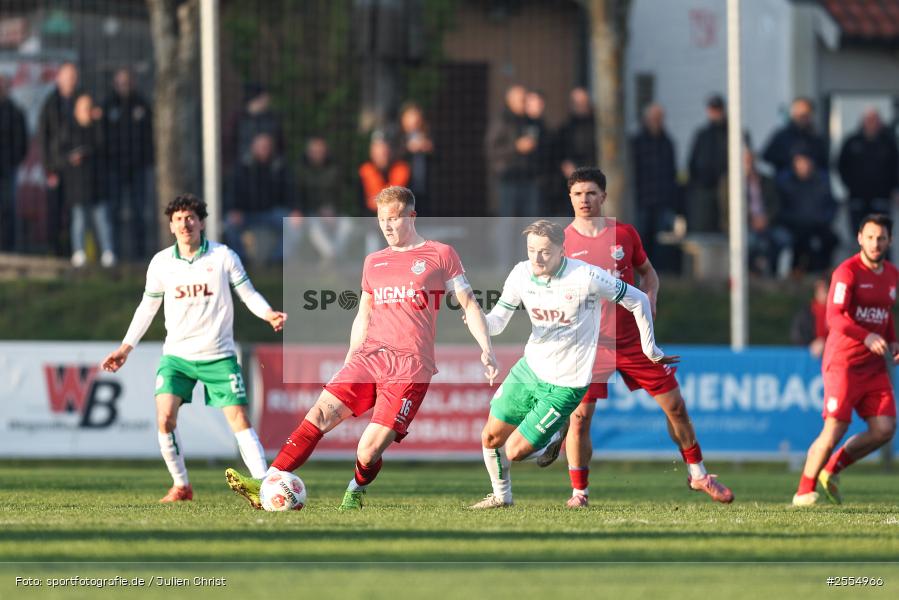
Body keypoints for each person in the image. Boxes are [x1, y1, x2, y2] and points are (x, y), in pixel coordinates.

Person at [225, 186, 498, 510]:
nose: (387, 226)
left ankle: (356, 487)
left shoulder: (440, 254)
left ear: (412, 217)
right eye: (382, 219)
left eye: (395, 218)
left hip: (410, 366)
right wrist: (349, 359)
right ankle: (267, 482)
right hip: (368, 358)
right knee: (320, 413)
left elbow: (467, 302)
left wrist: (487, 349)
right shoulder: (374, 262)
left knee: (368, 452)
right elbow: (364, 313)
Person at [540, 167, 734, 507]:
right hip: (587, 346)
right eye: (577, 194)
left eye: (590, 193)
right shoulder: (562, 243)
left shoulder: (625, 234)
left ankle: (699, 475)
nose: (584, 200)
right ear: (569, 198)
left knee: (675, 407)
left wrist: (651, 296)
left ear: (603, 196)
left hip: (633, 341)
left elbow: (649, 273)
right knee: (581, 418)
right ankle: (579, 493)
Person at [468, 219, 674, 509]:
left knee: (514, 451)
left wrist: (649, 348)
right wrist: (478, 320)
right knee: (490, 437)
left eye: (545, 251)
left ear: (561, 251)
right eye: (531, 250)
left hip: (567, 382)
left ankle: (556, 431)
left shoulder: (586, 276)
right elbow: (497, 323)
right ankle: (502, 496)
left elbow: (638, 298)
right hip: (530, 369)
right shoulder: (520, 274)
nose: (537, 258)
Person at [101, 194, 287, 502]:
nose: (184, 224)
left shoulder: (223, 256)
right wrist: (126, 347)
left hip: (218, 355)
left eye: (190, 218)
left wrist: (268, 313)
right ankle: (181, 485)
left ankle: (265, 486)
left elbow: (248, 294)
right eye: (178, 219)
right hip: (177, 357)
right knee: (165, 419)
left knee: (239, 418)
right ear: (171, 226)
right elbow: (147, 308)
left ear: (201, 222)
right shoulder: (161, 263)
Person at [793, 214, 898, 506]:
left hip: (874, 367)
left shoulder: (892, 275)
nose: (875, 243)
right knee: (835, 427)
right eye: (870, 237)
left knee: (885, 429)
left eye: (881, 238)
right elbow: (834, 316)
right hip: (844, 364)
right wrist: (865, 337)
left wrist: (893, 341)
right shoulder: (847, 272)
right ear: (859, 238)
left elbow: (885, 314)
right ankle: (804, 491)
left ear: (889, 240)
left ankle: (832, 468)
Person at [101, 67, 154, 260]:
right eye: (121, 82)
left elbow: (149, 135)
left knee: (139, 211)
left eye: (128, 82)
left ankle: (139, 253)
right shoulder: (108, 105)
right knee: (113, 210)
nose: (124, 86)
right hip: (114, 168)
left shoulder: (142, 105)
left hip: (138, 167)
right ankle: (114, 252)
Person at [224, 132, 302, 264]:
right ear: (253, 147)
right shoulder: (241, 167)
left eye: (267, 146)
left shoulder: (279, 167)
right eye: (260, 146)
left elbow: (290, 190)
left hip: (271, 212)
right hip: (246, 213)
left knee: (295, 224)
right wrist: (233, 209)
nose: (264, 150)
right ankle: (240, 259)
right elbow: (231, 190)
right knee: (229, 224)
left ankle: (278, 259)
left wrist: (295, 210)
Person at [59, 94, 116, 268]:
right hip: (78, 183)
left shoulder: (99, 127)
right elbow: (62, 152)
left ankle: (108, 252)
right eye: (84, 109)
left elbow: (106, 146)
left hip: (98, 182)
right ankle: (79, 251)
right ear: (76, 111)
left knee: (102, 220)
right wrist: (72, 157)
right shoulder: (69, 129)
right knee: (79, 220)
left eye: (89, 108)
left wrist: (99, 121)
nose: (87, 112)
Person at [37, 62, 79, 257]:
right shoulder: (50, 103)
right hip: (56, 166)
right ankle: (55, 249)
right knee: (55, 209)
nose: (71, 81)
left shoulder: (81, 99)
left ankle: (73, 248)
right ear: (59, 78)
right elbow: (43, 138)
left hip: (77, 168)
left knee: (75, 212)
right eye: (67, 77)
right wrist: (48, 168)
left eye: (74, 77)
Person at [775, 145, 838, 273]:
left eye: (806, 161)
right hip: (794, 226)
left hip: (818, 225)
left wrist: (823, 219)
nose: (804, 165)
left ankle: (822, 273)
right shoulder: (785, 182)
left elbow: (831, 204)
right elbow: (780, 208)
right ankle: (797, 272)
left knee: (830, 240)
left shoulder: (821, 180)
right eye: (800, 161)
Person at [837, 108, 899, 237]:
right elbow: (841, 165)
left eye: (874, 120)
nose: (871, 124)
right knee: (859, 235)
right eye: (868, 120)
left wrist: (894, 189)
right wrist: (849, 185)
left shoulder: (888, 143)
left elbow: (895, 167)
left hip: (882, 198)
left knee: (881, 235)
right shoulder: (852, 142)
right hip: (857, 197)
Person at [631, 103, 678, 260]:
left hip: (661, 200)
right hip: (642, 199)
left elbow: (672, 173)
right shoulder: (636, 143)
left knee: (659, 240)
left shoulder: (668, 143)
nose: (656, 122)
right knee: (641, 236)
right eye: (654, 118)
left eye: (659, 118)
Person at [687, 95, 728, 233]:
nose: (715, 113)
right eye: (712, 109)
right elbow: (692, 163)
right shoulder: (702, 135)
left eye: (717, 109)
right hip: (704, 191)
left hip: (726, 191)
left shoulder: (732, 134)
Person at [762, 97, 828, 176]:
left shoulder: (817, 139)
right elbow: (767, 156)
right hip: (785, 185)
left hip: (812, 185)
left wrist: (810, 164)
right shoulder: (781, 136)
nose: (802, 118)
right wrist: (792, 162)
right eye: (799, 114)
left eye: (805, 115)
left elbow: (825, 162)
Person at [0, 74, 28, 252]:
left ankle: (8, 248)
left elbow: (21, 143)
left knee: (8, 209)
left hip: (7, 169)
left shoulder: (16, 112)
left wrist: (11, 161)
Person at [396, 102, 434, 210]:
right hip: (405, 190)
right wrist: (407, 148)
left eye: (416, 116)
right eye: (410, 116)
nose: (413, 120)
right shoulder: (398, 137)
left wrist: (428, 148)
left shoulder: (427, 136)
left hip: (425, 189)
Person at [790, 277, 829, 358]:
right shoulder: (807, 311)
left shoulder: (837, 311)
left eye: (825, 290)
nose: (823, 293)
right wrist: (811, 343)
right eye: (820, 290)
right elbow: (798, 334)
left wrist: (826, 342)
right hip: (810, 351)